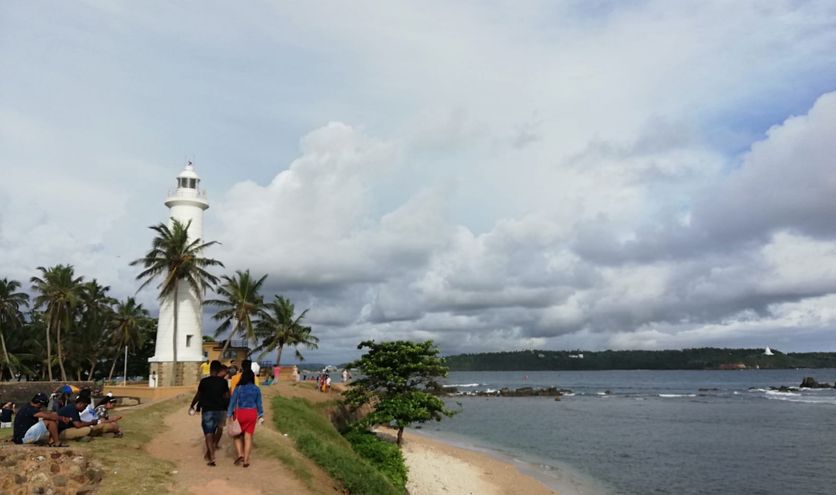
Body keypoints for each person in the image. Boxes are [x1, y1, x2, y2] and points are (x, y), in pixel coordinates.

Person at [190, 360, 229, 466]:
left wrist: (192, 405)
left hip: (208, 410)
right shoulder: (223, 382)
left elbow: (198, 395)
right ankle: (211, 450)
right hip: (221, 410)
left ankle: (211, 456)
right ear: (219, 370)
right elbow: (226, 396)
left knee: (208, 433)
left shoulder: (204, 381)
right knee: (218, 430)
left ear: (211, 369)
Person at [227, 369, 263, 467]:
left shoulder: (238, 388)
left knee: (237, 435)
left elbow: (232, 402)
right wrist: (261, 414)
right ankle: (246, 460)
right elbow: (259, 403)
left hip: (240, 413)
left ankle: (240, 454)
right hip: (252, 413)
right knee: (248, 437)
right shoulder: (256, 389)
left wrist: (229, 414)